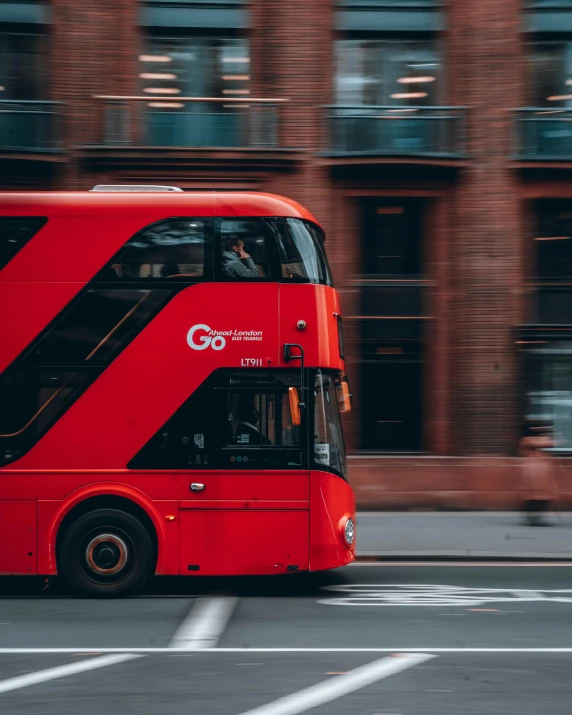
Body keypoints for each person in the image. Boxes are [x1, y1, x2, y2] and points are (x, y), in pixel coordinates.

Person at [518, 422, 560, 526]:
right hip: (533, 470)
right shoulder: (527, 440)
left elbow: (551, 443)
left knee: (542, 494)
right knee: (536, 494)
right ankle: (533, 515)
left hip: (540, 471)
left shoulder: (530, 441)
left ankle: (535, 515)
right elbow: (549, 442)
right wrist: (547, 431)